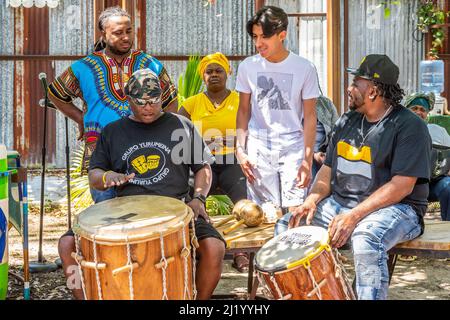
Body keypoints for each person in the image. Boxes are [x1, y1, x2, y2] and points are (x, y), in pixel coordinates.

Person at [58, 69, 225, 300]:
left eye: (154, 100)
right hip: (124, 211)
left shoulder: (180, 125)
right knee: (67, 244)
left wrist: (198, 198)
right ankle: (82, 295)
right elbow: (94, 175)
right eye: (141, 102)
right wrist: (107, 178)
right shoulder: (113, 132)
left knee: (214, 248)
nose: (149, 107)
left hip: (176, 208)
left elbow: (203, 168)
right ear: (128, 100)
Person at [275, 54, 432, 300]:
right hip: (343, 204)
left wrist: (354, 215)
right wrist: (311, 200)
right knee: (288, 225)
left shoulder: (409, 126)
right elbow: (327, 171)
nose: (349, 89)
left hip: (398, 208)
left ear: (373, 90)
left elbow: (401, 187)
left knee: (366, 238)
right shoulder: (347, 121)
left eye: (355, 83)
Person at [48, 6, 178, 203]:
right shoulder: (84, 67)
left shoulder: (150, 64)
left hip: (144, 151)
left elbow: (170, 100)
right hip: (102, 153)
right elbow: (55, 93)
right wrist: (81, 118)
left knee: (146, 211)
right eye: (118, 33)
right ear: (104, 33)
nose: (125, 37)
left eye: (129, 31)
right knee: (106, 212)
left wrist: (162, 130)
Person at [235, 6, 319, 214]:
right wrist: (240, 149)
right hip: (259, 145)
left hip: (293, 145)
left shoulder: (304, 68)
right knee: (264, 213)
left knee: (296, 210)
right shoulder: (248, 66)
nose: (258, 43)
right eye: (255, 36)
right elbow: (243, 111)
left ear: (282, 35)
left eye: (264, 36)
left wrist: (307, 160)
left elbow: (310, 116)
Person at [178, 52, 249, 272]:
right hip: (201, 163)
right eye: (209, 71)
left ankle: (241, 252)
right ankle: (194, 249)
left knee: (243, 200)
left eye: (219, 70)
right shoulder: (191, 104)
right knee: (189, 199)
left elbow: (252, 131)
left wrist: (229, 140)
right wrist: (202, 143)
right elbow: (178, 136)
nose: (214, 75)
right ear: (203, 76)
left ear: (228, 72)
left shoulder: (241, 100)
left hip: (232, 159)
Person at [405, 92, 450, 221]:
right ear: (406, 110)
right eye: (414, 108)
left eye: (423, 110)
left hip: (434, 183)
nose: (419, 112)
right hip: (406, 185)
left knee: (448, 187)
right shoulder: (398, 130)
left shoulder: (437, 131)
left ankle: (448, 232)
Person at [311, 95, 339, 181]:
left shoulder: (325, 104)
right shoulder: (288, 107)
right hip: (299, 157)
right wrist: (313, 155)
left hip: (322, 156)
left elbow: (337, 136)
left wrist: (329, 155)